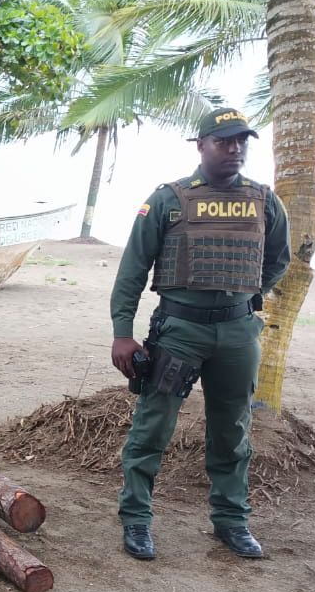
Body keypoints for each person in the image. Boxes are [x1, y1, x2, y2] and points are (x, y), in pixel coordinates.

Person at [110, 108, 290, 560]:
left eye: (241, 142)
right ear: (201, 145)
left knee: (232, 430)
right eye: (224, 141)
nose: (234, 150)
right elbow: (133, 269)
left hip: (237, 334)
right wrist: (122, 333)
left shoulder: (264, 200)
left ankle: (231, 521)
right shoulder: (168, 199)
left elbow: (278, 259)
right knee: (153, 426)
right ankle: (136, 520)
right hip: (179, 331)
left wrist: (248, 298)